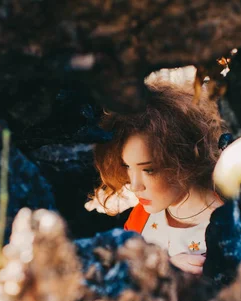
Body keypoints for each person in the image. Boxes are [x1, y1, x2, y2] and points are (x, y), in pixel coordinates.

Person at [93, 81, 225, 274]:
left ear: (182, 159)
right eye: (127, 167)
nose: (135, 186)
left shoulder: (227, 227)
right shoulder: (141, 214)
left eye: (149, 170)